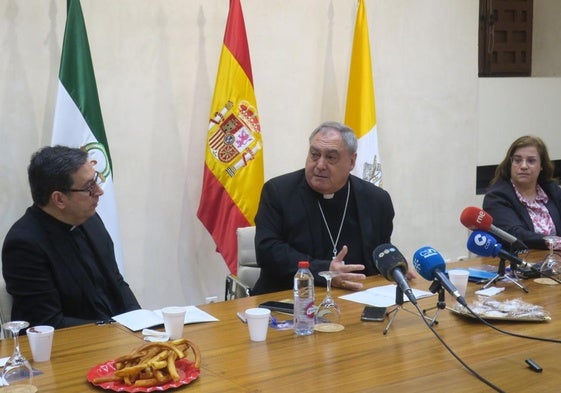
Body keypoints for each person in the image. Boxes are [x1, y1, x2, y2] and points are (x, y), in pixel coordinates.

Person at [2, 146, 140, 328]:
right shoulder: (23, 244)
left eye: (96, 180)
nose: (99, 191)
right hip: (72, 346)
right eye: (89, 187)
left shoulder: (90, 219)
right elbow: (47, 322)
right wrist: (114, 330)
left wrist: (143, 322)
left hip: (114, 333)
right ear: (59, 199)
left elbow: (116, 281)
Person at [252, 121, 396, 295]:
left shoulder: (376, 200)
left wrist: (395, 266)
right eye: (314, 154)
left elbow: (380, 251)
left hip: (356, 298)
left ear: (351, 161)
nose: (320, 165)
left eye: (331, 157)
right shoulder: (278, 192)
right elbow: (267, 251)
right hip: (287, 296)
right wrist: (325, 270)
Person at [483, 135, 561, 250]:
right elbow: (516, 235)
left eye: (531, 161)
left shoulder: (551, 190)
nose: (523, 166)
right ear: (511, 163)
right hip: (519, 263)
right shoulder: (496, 196)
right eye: (518, 160)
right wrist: (555, 242)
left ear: (541, 166)